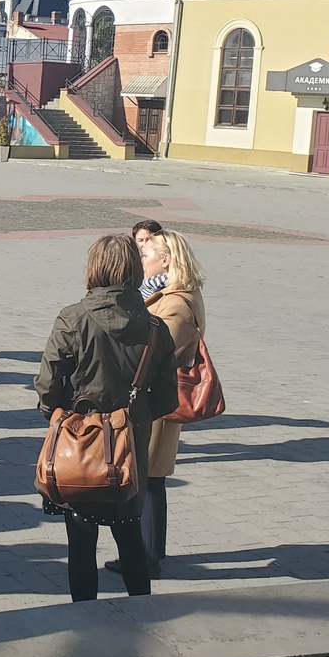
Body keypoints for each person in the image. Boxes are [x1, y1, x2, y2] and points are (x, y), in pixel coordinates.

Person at [35, 234, 178, 601]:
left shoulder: (73, 318)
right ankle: (143, 615)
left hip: (79, 444)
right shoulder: (155, 328)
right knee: (130, 538)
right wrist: (135, 414)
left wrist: (58, 415)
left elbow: (47, 384)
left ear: (94, 268)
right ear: (134, 270)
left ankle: (85, 618)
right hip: (129, 448)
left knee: (81, 542)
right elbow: (167, 399)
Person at [124, 229, 207, 580]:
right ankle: (148, 554)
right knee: (149, 479)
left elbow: (157, 353)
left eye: (147, 255)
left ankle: (147, 559)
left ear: (167, 260)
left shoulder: (176, 302)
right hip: (153, 399)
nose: (141, 260)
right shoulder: (161, 292)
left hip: (157, 403)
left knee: (150, 479)